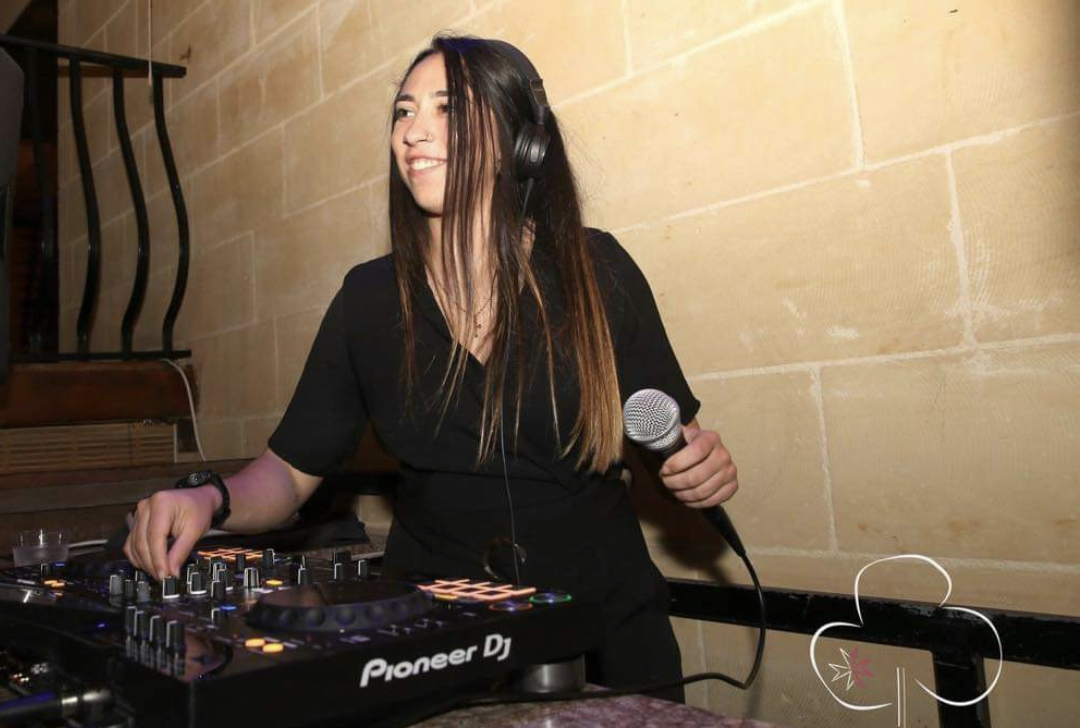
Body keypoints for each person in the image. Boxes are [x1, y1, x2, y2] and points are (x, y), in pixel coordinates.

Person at [124, 35, 739, 700]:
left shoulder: (598, 271)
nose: (414, 132)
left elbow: (675, 434)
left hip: (604, 630)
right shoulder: (367, 299)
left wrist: (702, 465)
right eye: (404, 112)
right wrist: (207, 497)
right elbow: (289, 472)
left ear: (520, 142)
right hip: (431, 641)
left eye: (448, 110)